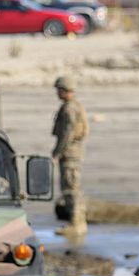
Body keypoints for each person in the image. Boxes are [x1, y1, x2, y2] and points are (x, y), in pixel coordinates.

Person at [51, 75, 89, 237]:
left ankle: (77, 223)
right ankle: (76, 222)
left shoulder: (70, 109)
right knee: (71, 188)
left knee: (71, 189)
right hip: (73, 153)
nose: (57, 93)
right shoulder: (74, 106)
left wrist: (57, 152)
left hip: (70, 154)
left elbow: (68, 133)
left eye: (59, 90)